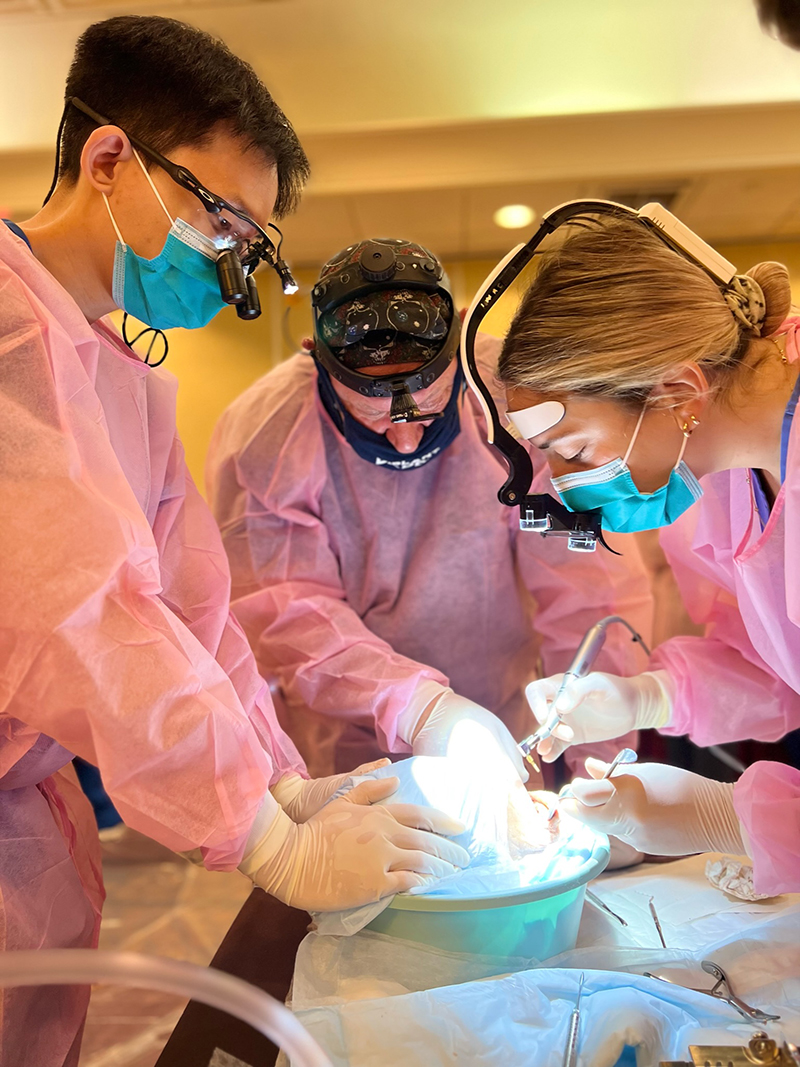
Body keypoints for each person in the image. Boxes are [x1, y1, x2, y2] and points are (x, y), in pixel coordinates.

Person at [1, 20, 469, 1066]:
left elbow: (188, 612)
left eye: (249, 240)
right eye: (221, 220)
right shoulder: (9, 338)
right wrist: (262, 838)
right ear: (111, 158)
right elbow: (80, 620)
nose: (229, 261)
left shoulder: (124, 378)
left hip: (28, 830)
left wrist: (276, 774)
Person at [207, 237, 654, 831]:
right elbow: (285, 608)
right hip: (347, 735)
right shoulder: (268, 435)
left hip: (506, 714)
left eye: (426, 410)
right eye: (375, 420)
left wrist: (601, 763)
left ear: (462, 336)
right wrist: (418, 706)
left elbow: (589, 589)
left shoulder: (521, 401)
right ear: (317, 354)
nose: (406, 441)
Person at [500, 211, 800, 895]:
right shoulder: (727, 484)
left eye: (576, 452)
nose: (572, 489)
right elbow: (777, 667)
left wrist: (725, 819)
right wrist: (646, 695)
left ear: (677, 392)